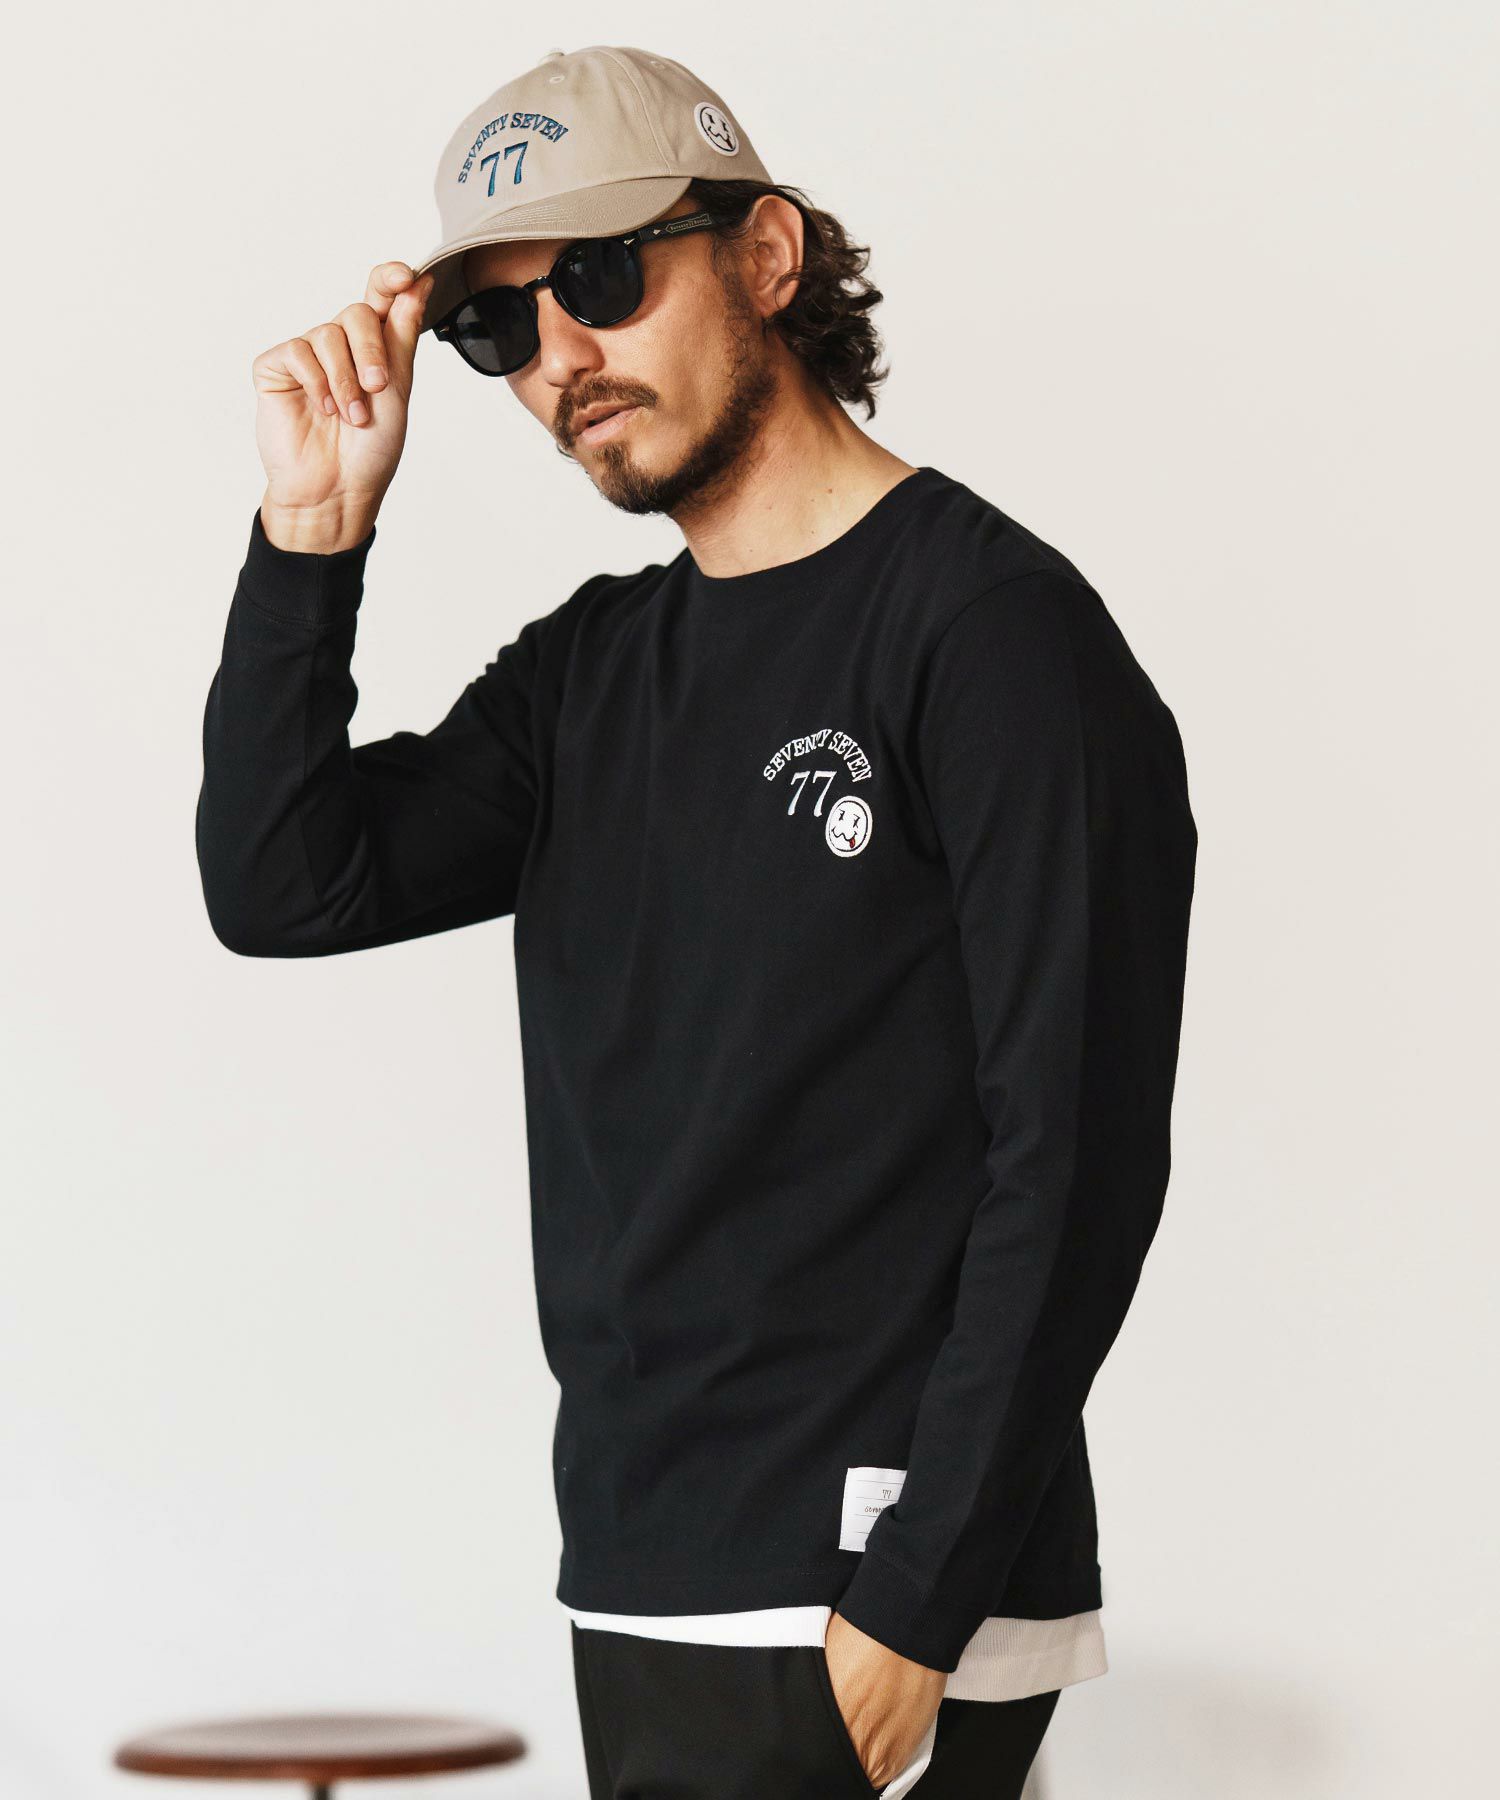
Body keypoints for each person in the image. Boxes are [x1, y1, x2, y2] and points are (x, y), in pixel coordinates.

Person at [196, 43, 1198, 1800]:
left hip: (866, 1578)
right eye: (498, 326)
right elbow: (284, 882)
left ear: (767, 256)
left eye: (599, 276)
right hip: (648, 1559)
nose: (559, 357)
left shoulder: (993, 638)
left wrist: (915, 1609)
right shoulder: (591, 675)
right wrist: (311, 535)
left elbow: (1081, 1155)